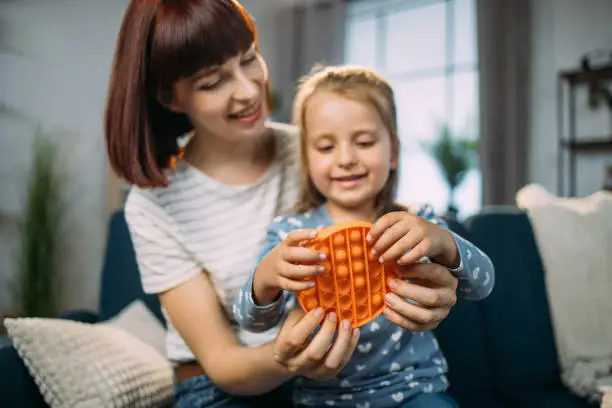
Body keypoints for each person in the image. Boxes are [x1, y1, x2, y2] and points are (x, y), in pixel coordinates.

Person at [103, 1, 363, 407]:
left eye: (249, 58)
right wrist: (291, 355)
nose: (248, 90)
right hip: (220, 390)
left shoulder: (318, 154)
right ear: (170, 97)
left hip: (325, 385)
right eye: (212, 82)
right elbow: (222, 362)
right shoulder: (154, 204)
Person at [234, 65, 496, 408]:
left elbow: (483, 283)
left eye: (365, 142)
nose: (346, 159)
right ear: (307, 160)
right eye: (326, 147)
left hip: (415, 392)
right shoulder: (290, 234)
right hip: (321, 399)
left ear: (394, 153)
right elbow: (253, 322)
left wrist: (444, 242)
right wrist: (266, 277)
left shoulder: (415, 225)